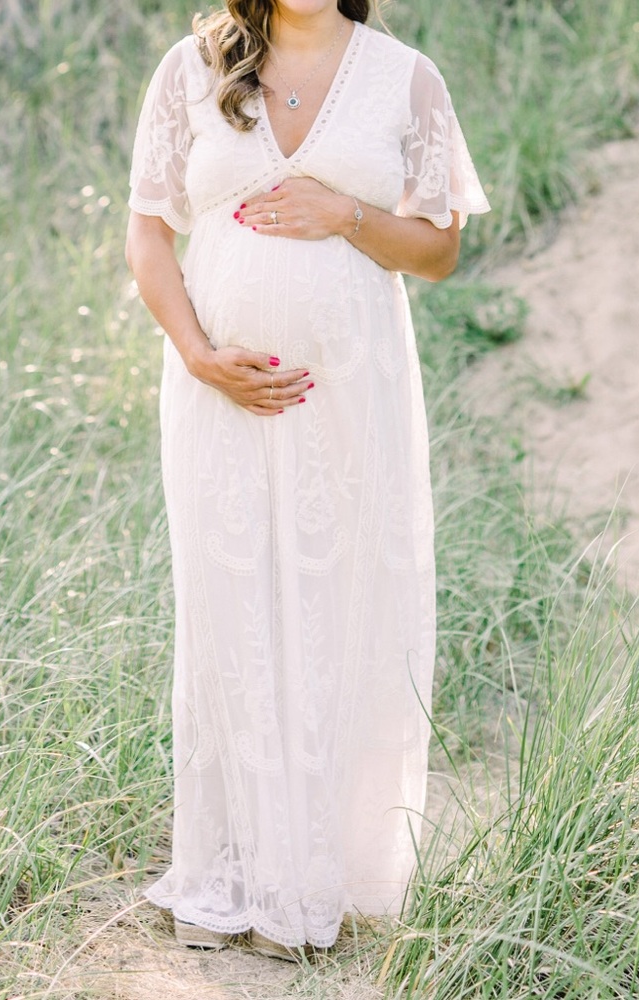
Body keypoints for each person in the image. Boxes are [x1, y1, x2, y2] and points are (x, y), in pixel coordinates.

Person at [124, 0, 489, 961]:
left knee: (341, 603)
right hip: (216, 396)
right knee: (232, 603)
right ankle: (236, 870)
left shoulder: (405, 76)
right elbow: (149, 237)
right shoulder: (191, 69)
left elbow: (441, 251)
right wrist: (200, 355)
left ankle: (328, 875)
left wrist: (348, 215)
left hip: (351, 393)